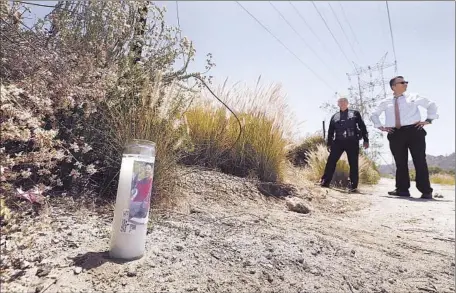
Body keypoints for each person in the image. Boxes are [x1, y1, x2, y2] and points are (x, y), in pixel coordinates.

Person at [370, 76, 438, 199]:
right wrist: (380, 126)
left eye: (406, 82)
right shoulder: (385, 102)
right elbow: (374, 114)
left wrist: (428, 119)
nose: (405, 84)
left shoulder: (413, 97)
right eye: (402, 82)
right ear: (393, 87)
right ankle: (402, 190)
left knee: (420, 161)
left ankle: (426, 191)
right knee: (400, 163)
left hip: (414, 131)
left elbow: (431, 105)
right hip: (395, 134)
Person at [320, 97, 369, 192]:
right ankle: (325, 181)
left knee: (353, 163)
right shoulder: (334, 116)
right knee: (331, 161)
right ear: (337, 104)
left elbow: (362, 127)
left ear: (347, 103)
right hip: (338, 142)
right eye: (340, 102)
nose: (342, 103)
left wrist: (366, 140)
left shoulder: (355, 113)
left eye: (344, 101)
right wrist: (329, 143)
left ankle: (353, 186)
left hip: (352, 141)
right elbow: (330, 131)